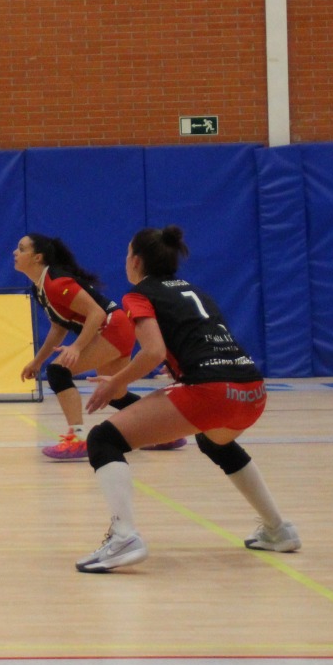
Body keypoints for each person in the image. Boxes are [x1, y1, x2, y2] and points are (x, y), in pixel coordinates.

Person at [74, 225, 301, 573]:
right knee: (215, 442)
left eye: (127, 253)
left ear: (136, 261)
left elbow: (153, 352)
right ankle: (278, 529)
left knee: (104, 439)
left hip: (212, 390)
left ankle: (124, 537)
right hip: (253, 390)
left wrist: (115, 384)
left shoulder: (139, 295)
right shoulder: (196, 292)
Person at [14, 234, 183, 459]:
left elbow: (97, 313)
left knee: (58, 371)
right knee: (115, 394)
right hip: (118, 328)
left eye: (21, 249)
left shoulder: (57, 283)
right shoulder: (40, 288)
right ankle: (165, 432)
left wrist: (76, 347)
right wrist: (37, 361)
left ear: (37, 257)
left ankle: (77, 438)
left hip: (113, 327)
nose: (15, 253)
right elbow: (58, 328)